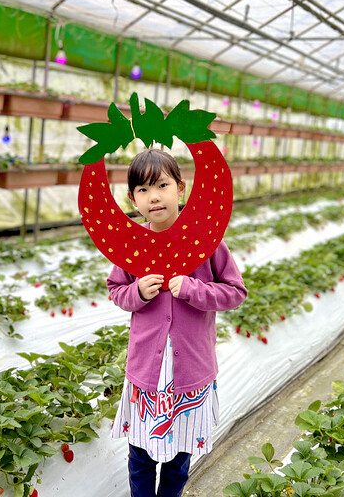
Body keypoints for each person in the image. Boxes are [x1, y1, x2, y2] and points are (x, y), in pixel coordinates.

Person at [107, 148, 247, 497]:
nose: (153, 196)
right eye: (142, 189)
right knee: (139, 455)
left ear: (181, 189)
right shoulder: (131, 245)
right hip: (147, 374)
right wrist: (137, 291)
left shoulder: (207, 239)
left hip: (190, 374)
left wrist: (193, 289)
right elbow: (115, 290)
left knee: (179, 458)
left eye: (162, 185)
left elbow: (235, 292)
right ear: (132, 199)